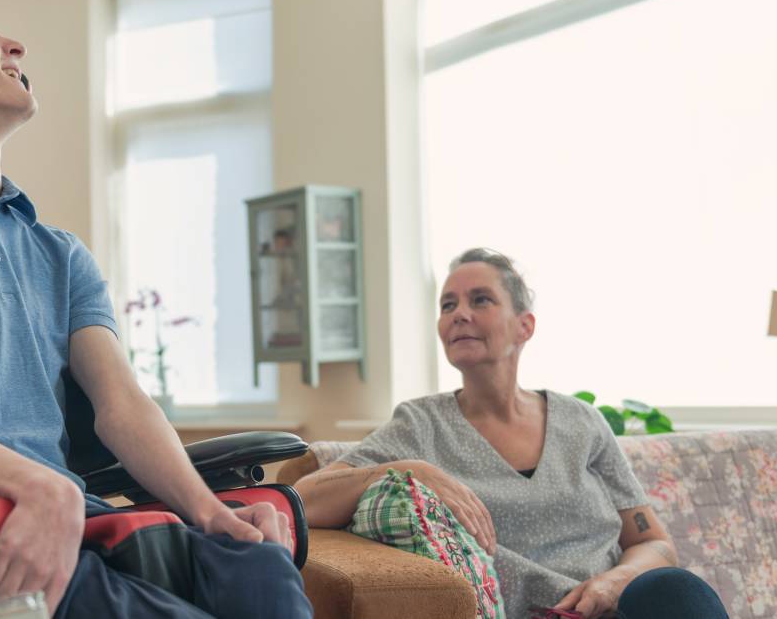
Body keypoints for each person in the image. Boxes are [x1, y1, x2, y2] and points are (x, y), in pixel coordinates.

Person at [0, 0, 312, 617]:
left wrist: (210, 513)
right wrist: (44, 489)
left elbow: (122, 406)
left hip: (76, 511)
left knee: (259, 571)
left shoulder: (60, 253)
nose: (14, 47)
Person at [293, 248, 727, 619]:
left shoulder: (582, 421)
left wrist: (615, 581)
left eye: (480, 300)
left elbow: (654, 543)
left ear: (525, 325)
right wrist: (406, 469)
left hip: (617, 608)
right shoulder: (421, 425)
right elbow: (304, 499)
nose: (459, 313)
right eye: (448, 305)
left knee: (675, 589)